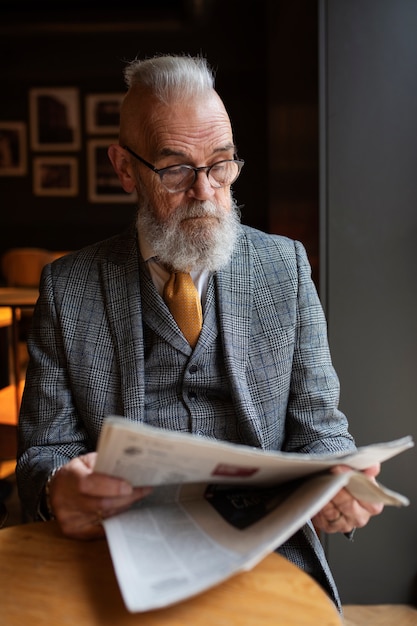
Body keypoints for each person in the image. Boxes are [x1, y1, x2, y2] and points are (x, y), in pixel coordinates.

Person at [16, 53, 383, 610]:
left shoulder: (284, 267)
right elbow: (44, 452)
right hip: (118, 550)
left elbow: (320, 428)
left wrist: (340, 482)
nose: (207, 192)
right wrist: (57, 488)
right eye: (176, 169)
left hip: (264, 551)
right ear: (125, 169)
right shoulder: (68, 288)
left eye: (220, 164)